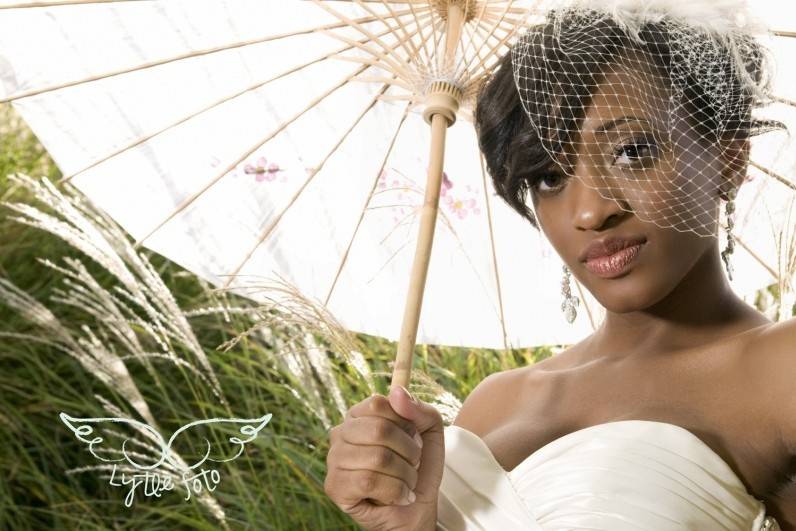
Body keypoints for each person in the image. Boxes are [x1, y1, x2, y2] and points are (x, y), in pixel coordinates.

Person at [324, 1, 795, 529]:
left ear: (730, 157)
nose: (591, 212)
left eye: (631, 151)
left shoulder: (782, 369)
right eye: (549, 177)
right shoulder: (494, 402)